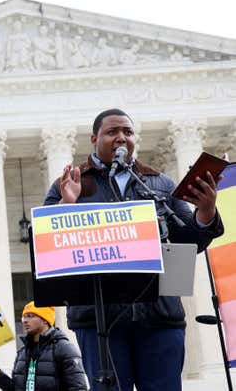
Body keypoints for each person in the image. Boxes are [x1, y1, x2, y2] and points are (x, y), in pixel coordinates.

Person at [44, 108, 224, 391]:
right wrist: (67, 206)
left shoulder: (158, 183)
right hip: (99, 319)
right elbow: (48, 247)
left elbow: (190, 241)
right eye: (112, 132)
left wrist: (206, 211)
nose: (121, 138)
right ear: (94, 138)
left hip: (159, 315)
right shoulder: (71, 184)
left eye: (127, 132)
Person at [0, 301, 88, 390]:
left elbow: (78, 387)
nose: (24, 320)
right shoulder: (22, 352)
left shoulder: (64, 348)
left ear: (45, 320)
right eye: (23, 317)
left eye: (30, 316)